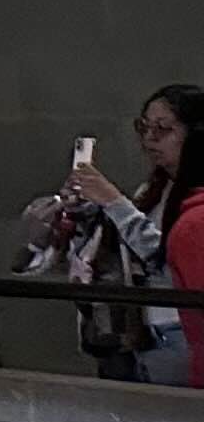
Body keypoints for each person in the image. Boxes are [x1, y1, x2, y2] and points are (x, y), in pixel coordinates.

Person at [24, 85, 202, 385]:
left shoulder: (195, 201)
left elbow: (170, 263)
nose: (149, 138)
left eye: (163, 129)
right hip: (138, 331)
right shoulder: (155, 189)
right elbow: (125, 255)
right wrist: (87, 213)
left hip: (178, 332)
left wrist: (114, 202)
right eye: (143, 127)